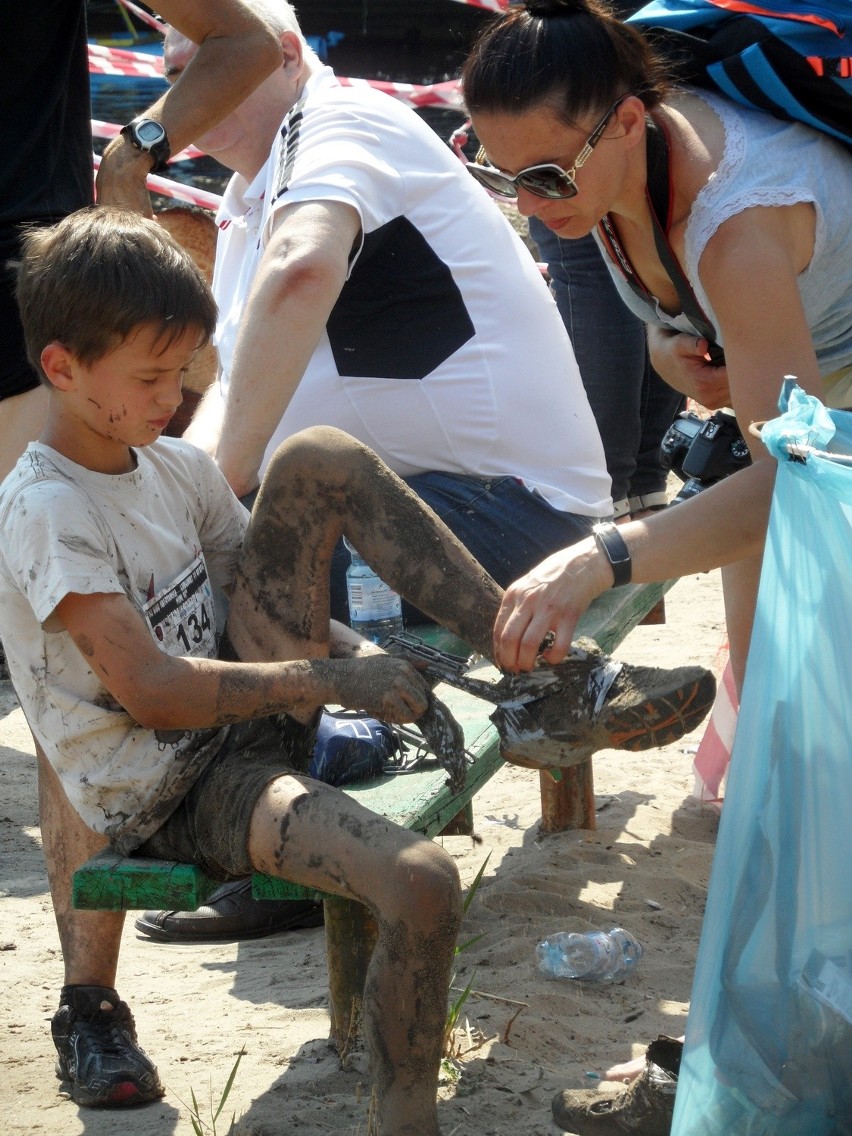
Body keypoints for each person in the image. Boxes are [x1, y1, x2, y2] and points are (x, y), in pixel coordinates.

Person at [0, 207, 713, 1121]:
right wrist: (340, 684)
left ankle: (545, 681)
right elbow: (155, 692)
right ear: (60, 368)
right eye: (150, 376)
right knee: (420, 879)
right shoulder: (48, 509)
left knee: (317, 455)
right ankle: (405, 1116)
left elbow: (266, 602)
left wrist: (367, 654)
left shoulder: (170, 465)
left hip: (249, 723)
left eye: (183, 373)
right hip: (172, 788)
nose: (174, 396)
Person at [0, 0, 284, 1109]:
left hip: (31, 301)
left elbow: (249, 38)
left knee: (68, 679)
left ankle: (90, 1002)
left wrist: (141, 143)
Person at [460, 0, 851, 688]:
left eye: (545, 177)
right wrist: (667, 347)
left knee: (812, 695)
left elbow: (789, 485)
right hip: (813, 395)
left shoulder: (736, 232)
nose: (528, 205)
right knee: (774, 691)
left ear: (631, 123)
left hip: (819, 424)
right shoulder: (607, 171)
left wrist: (596, 558)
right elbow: (670, 299)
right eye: (501, 174)